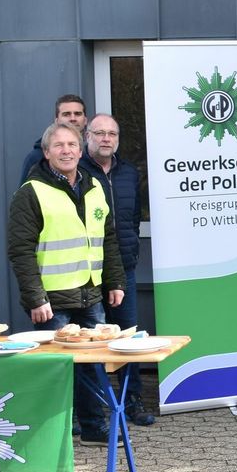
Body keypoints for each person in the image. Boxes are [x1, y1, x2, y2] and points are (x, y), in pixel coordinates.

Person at [8, 122, 126, 446]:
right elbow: (20, 250)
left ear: (80, 148)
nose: (66, 151)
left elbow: (108, 239)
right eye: (58, 145)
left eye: (72, 144)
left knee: (92, 368)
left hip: (91, 295)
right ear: (46, 152)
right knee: (54, 372)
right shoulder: (31, 192)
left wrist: (115, 281)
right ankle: (50, 438)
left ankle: (93, 429)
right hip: (51, 301)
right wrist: (35, 298)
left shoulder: (94, 187)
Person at [78, 113, 154, 426]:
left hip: (124, 267)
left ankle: (131, 402)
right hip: (88, 272)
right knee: (93, 341)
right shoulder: (77, 173)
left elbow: (133, 218)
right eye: (99, 133)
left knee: (128, 338)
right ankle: (94, 409)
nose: (106, 139)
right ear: (87, 137)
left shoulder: (128, 172)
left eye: (112, 134)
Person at [21, 94, 87, 183]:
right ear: (56, 121)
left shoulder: (92, 156)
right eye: (66, 114)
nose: (72, 118)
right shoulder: (36, 157)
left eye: (77, 114)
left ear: (85, 120)